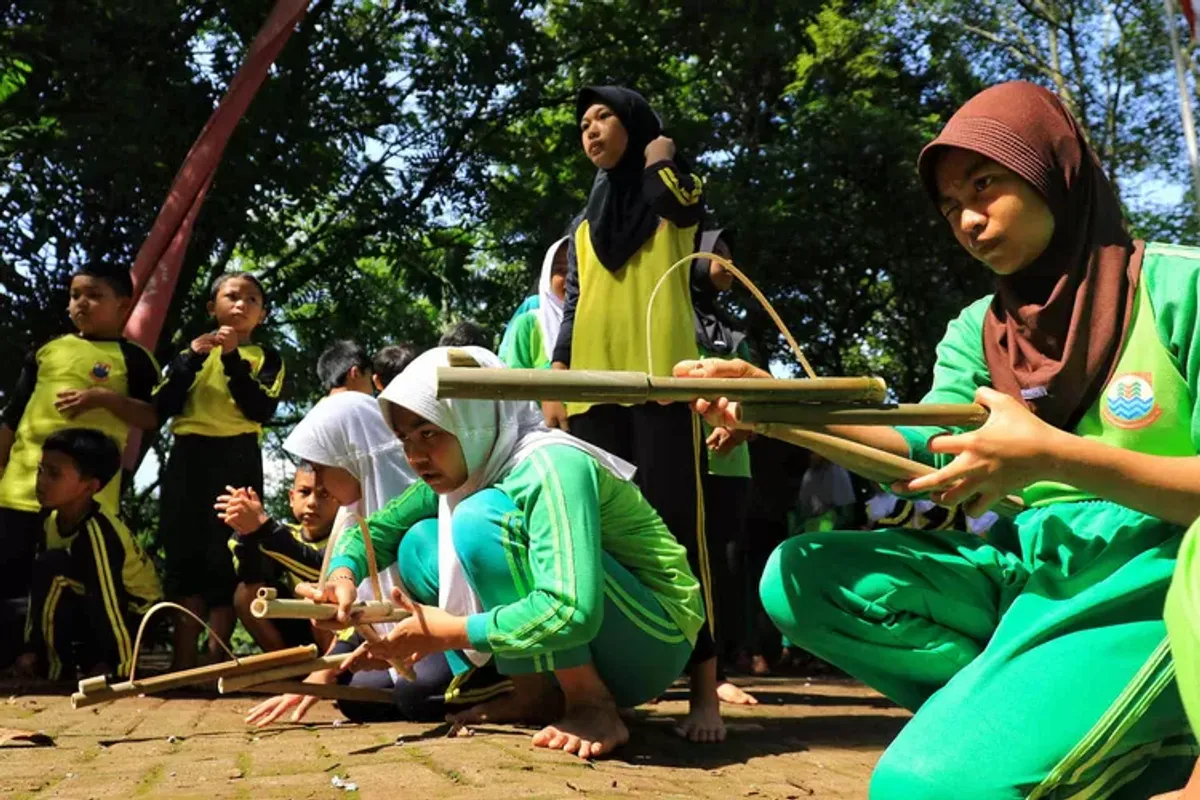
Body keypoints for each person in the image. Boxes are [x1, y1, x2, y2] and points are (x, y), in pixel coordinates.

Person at [678, 81, 1199, 797]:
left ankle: (1124, 732)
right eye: (951, 206)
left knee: (920, 787)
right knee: (800, 577)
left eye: (985, 185)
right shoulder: (980, 330)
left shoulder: (1180, 289)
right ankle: (1047, 716)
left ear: (1053, 169)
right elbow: (922, 443)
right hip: (1027, 571)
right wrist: (780, 408)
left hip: (1159, 578)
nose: (969, 220)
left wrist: (1053, 454)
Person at [304, 346, 703, 759]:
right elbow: (376, 532)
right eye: (405, 438)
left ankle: (591, 704)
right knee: (418, 544)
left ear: (474, 420)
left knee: (478, 521)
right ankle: (535, 695)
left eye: (429, 433)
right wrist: (341, 579)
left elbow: (572, 611)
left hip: (655, 641)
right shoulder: (466, 469)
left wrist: (450, 632)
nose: (415, 456)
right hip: (599, 633)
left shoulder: (551, 464)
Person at [551, 85, 724, 741]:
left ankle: (704, 697)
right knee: (604, 546)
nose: (590, 130)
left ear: (637, 126)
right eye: (583, 123)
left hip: (664, 390)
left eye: (604, 117)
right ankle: (611, 692)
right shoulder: (584, 224)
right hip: (594, 396)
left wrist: (659, 154)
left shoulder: (671, 200)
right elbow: (573, 309)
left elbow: (680, 200)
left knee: (680, 541)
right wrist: (558, 381)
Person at [242, 391, 507, 726]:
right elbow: (370, 541)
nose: (320, 483)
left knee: (416, 693)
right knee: (359, 696)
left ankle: (504, 676)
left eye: (324, 469)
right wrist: (320, 675)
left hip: (472, 625)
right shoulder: (355, 512)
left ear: (354, 458)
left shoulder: (437, 484)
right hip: (418, 633)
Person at [0, 268, 158, 606]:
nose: (81, 303)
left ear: (123, 305)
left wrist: (104, 399)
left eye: (95, 295)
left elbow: (152, 417)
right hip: (17, 493)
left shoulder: (135, 359)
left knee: (62, 594)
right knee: (8, 590)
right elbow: (12, 418)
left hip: (81, 503)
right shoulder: (48, 350)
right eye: (75, 295)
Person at [155, 272, 284, 671]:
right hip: (188, 456)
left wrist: (231, 358)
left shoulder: (268, 358)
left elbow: (259, 408)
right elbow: (163, 404)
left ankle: (217, 662)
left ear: (261, 315)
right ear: (213, 307)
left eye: (252, 299)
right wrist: (193, 358)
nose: (241, 304)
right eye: (232, 296)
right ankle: (181, 663)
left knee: (227, 556)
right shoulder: (189, 352)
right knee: (183, 553)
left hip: (237, 457)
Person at [15, 429, 160, 680]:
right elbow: (40, 590)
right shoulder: (50, 521)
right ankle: (44, 660)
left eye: (54, 474)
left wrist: (121, 668)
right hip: (91, 602)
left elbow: (109, 600)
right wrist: (30, 646)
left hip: (135, 616)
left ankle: (60, 668)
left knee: (54, 567)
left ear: (90, 487)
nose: (41, 481)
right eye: (40, 470)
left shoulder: (98, 531)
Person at [690, 230, 757, 704]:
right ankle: (686, 669)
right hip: (684, 460)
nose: (729, 262)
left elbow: (760, 397)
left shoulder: (733, 331)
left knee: (727, 567)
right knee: (686, 562)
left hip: (732, 464)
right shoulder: (674, 320)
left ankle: (723, 669)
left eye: (733, 253)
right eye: (720, 253)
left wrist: (742, 427)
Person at [216, 463, 339, 653]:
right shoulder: (285, 534)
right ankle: (285, 662)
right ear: (291, 498)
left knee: (318, 598)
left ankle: (331, 673)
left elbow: (320, 568)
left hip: (341, 631)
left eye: (324, 494)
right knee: (245, 593)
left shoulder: (346, 537)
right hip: (298, 627)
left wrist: (263, 529)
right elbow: (251, 576)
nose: (312, 502)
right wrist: (247, 532)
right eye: (304, 492)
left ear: (340, 499)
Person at [500, 237, 569, 372]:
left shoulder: (597, 324)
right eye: (560, 270)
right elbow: (516, 383)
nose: (570, 278)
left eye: (577, 270)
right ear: (547, 275)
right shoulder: (527, 324)